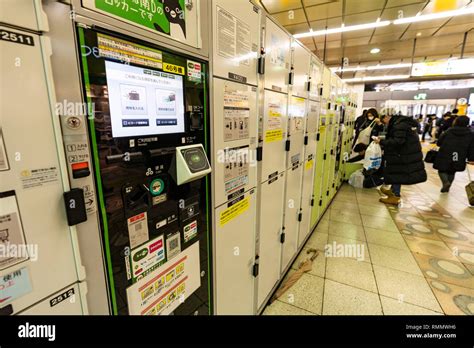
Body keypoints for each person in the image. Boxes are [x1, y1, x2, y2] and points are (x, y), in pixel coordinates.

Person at [372, 113, 427, 205]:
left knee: (398, 173)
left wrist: (381, 141)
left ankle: (395, 196)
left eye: (384, 121)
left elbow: (398, 141)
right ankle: (393, 192)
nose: (385, 123)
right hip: (406, 153)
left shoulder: (399, 125)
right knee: (397, 173)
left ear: (387, 117)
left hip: (403, 154)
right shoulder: (402, 123)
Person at [433, 116, 474, 192]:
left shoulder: (449, 131)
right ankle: (448, 187)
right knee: (452, 170)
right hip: (458, 155)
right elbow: (472, 147)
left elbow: (439, 142)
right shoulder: (470, 134)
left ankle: (445, 182)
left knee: (441, 170)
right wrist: (471, 158)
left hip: (446, 153)